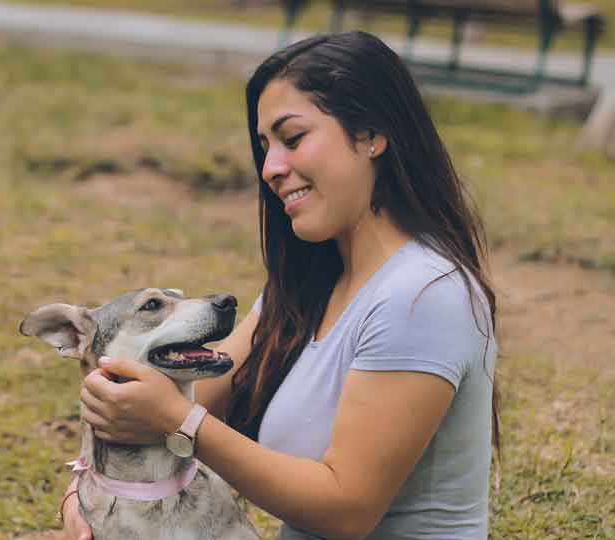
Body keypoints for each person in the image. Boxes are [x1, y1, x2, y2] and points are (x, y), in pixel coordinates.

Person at [61, 31, 499, 540]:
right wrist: (87, 488)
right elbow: (203, 390)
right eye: (264, 146)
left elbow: (346, 510)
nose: (270, 168)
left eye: (292, 139)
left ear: (371, 133)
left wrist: (177, 422)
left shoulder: (425, 295)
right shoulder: (310, 285)